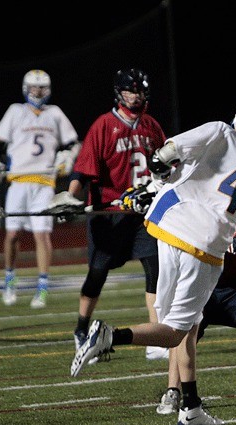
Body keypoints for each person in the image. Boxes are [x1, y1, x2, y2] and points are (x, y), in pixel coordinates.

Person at [70, 92, 236, 425]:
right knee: (173, 332)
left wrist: (156, 179)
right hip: (203, 243)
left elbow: (167, 154)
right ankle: (108, 336)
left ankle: (190, 406)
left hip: (166, 225)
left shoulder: (218, 129)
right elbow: (213, 184)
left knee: (188, 326)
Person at [56, 68, 169, 361]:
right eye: (131, 90)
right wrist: (71, 197)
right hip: (109, 214)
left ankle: (155, 335)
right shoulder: (104, 125)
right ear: (120, 93)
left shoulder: (152, 126)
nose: (136, 96)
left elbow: (168, 166)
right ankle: (81, 328)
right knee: (97, 274)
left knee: (154, 270)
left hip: (143, 213)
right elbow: (84, 168)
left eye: (140, 90)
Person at [0, 69, 80, 309]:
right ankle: (9, 279)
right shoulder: (16, 112)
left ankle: (43, 286)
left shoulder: (55, 113)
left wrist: (67, 157)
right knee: (13, 234)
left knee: (42, 235)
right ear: (27, 88)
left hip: (44, 183)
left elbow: (73, 143)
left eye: (42, 87)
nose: (38, 91)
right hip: (18, 182)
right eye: (34, 87)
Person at [156, 238, 236, 415]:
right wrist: (229, 245)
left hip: (231, 285)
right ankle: (173, 390)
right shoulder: (188, 214)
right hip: (195, 281)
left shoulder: (230, 211)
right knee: (181, 325)